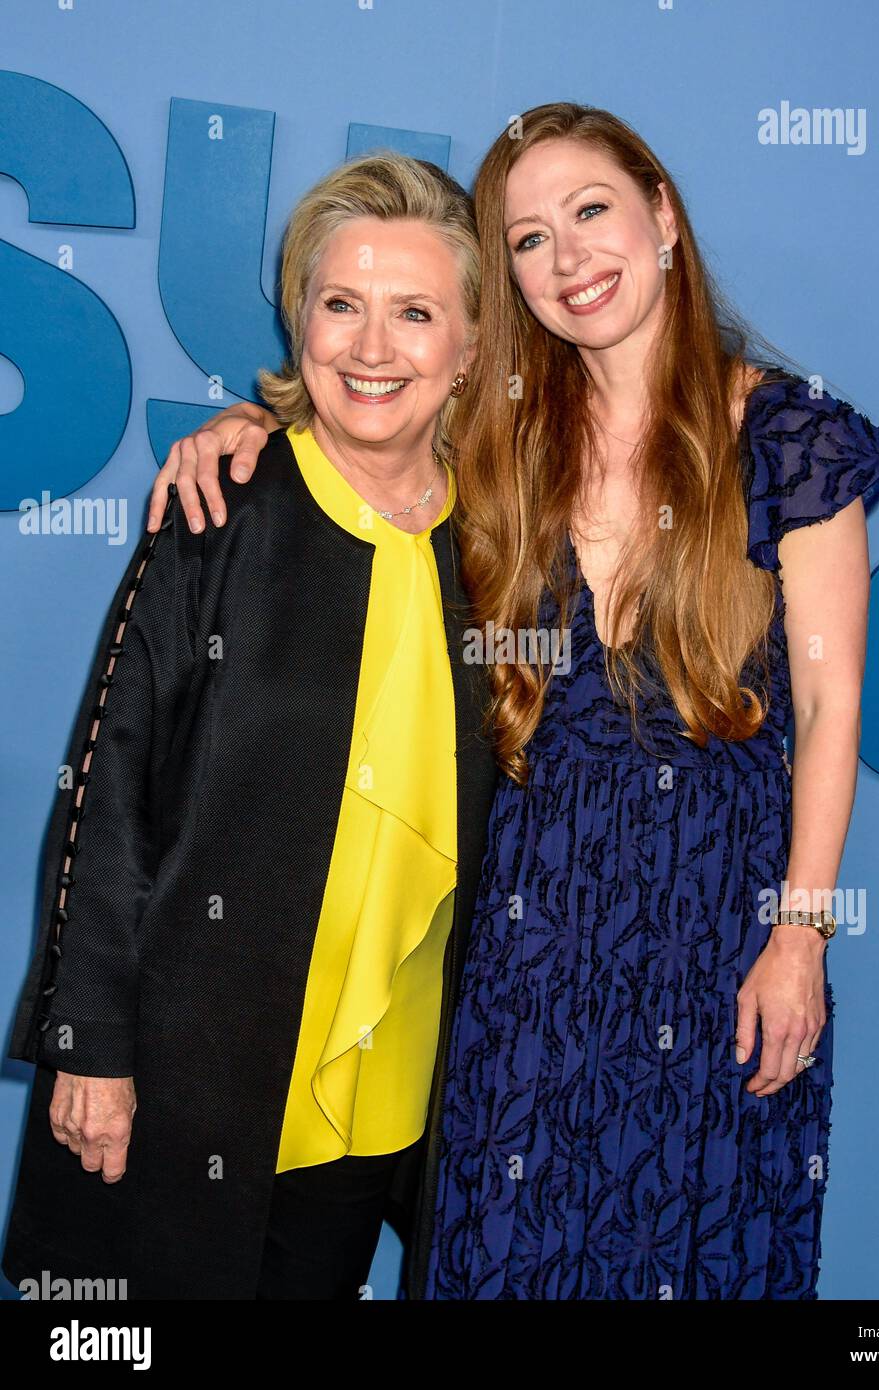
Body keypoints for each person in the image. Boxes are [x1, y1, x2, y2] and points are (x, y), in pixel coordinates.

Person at [145, 103, 879, 1299]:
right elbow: (365, 411)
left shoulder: (790, 441)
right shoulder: (500, 437)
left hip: (717, 948)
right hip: (525, 958)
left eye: (592, 213)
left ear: (661, 215)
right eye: (529, 240)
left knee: (697, 1250)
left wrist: (799, 936)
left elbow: (833, 704)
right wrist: (252, 423)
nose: (570, 260)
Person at [2, 151, 498, 1300]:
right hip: (184, 1083)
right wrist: (91, 1046)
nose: (372, 348)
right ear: (300, 324)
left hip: (381, 1108)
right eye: (341, 305)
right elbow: (108, 791)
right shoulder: (216, 506)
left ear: (470, 349)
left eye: (414, 313)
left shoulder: (506, 557)